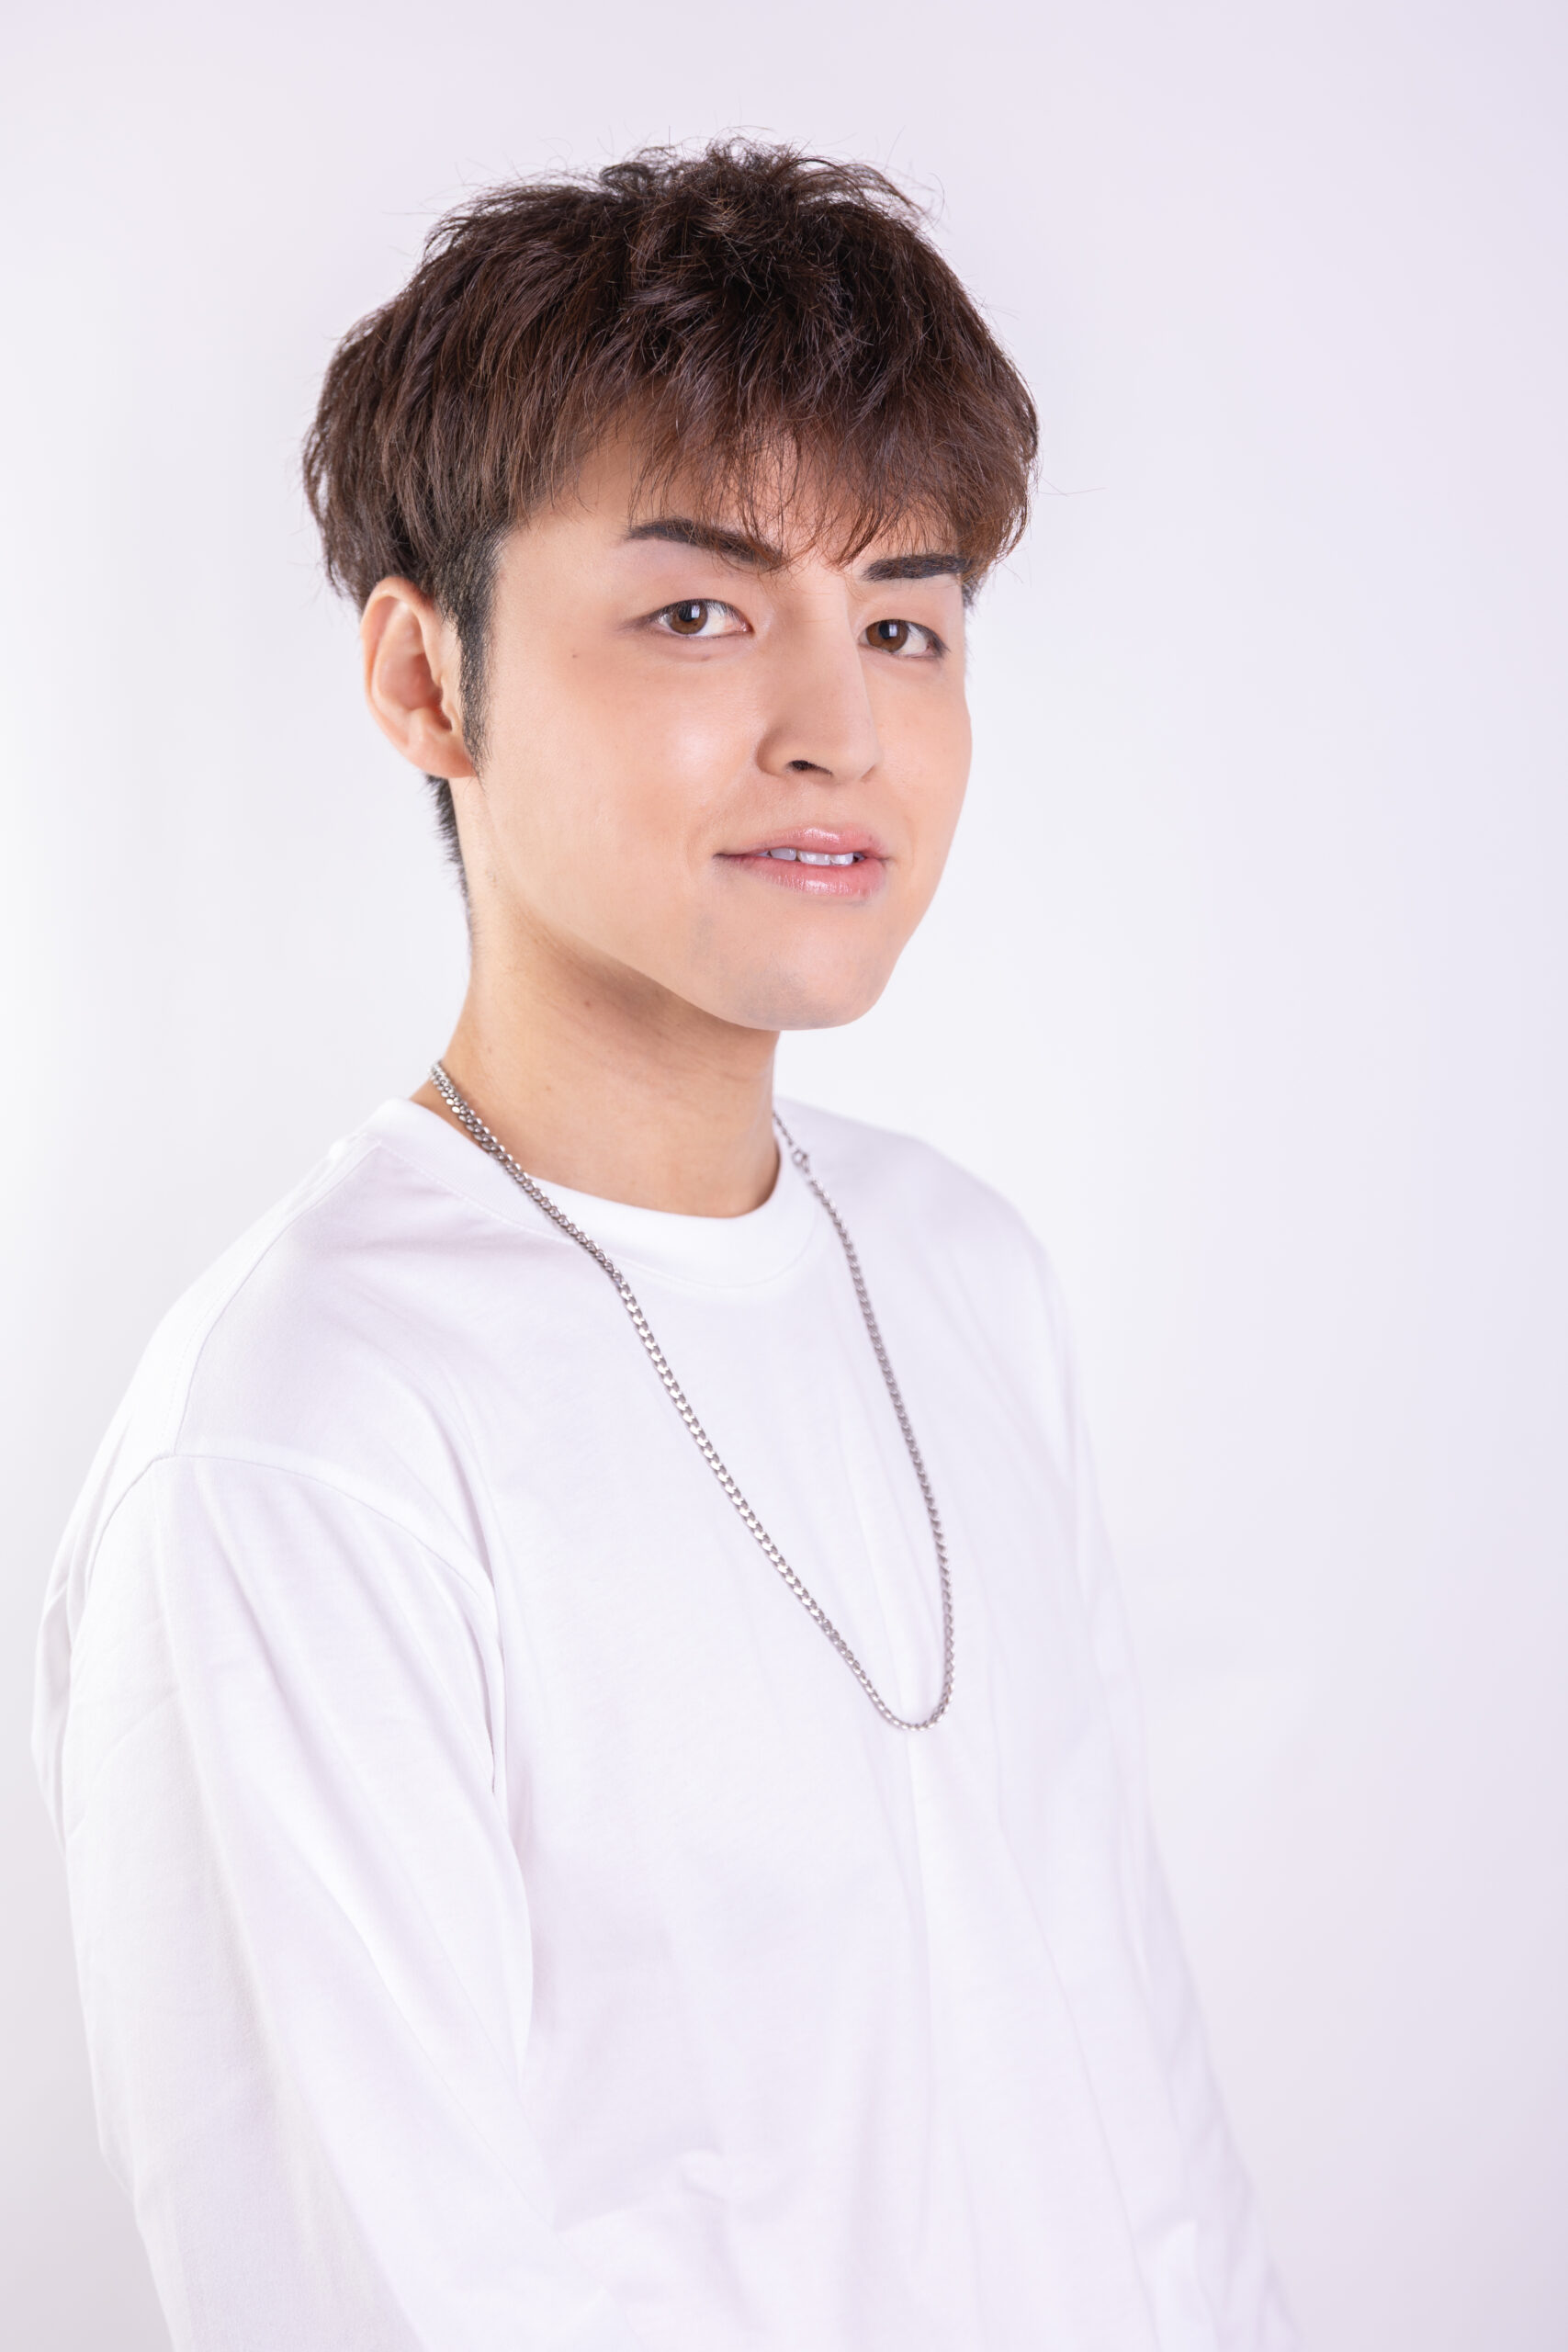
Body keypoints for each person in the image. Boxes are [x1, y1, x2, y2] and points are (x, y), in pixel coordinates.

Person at [34, 143, 1295, 2351]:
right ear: (426, 680)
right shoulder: (302, 1435)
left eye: (901, 619)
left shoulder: (959, 1271)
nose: (840, 727)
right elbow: (368, 2291)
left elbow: (1136, 2109)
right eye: (699, 611)